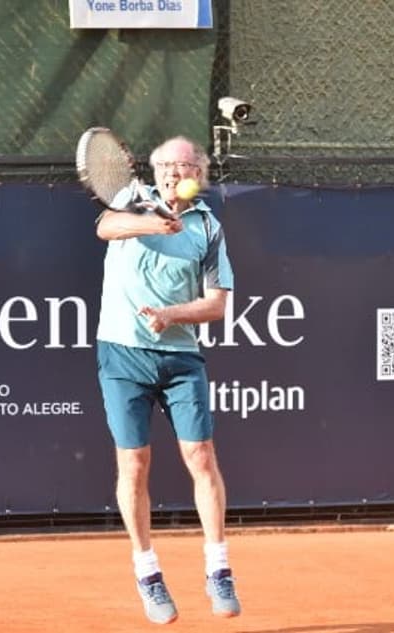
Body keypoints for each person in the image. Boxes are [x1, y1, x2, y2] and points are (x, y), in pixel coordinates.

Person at [94, 136, 241, 624]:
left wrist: (172, 314)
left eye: (184, 165)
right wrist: (149, 222)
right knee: (134, 463)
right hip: (122, 354)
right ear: (153, 171)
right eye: (166, 165)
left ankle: (218, 569)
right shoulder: (130, 199)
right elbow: (106, 227)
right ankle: (147, 573)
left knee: (201, 456)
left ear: (200, 171)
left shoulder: (208, 227)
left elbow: (217, 304)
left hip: (180, 356)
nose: (174, 172)